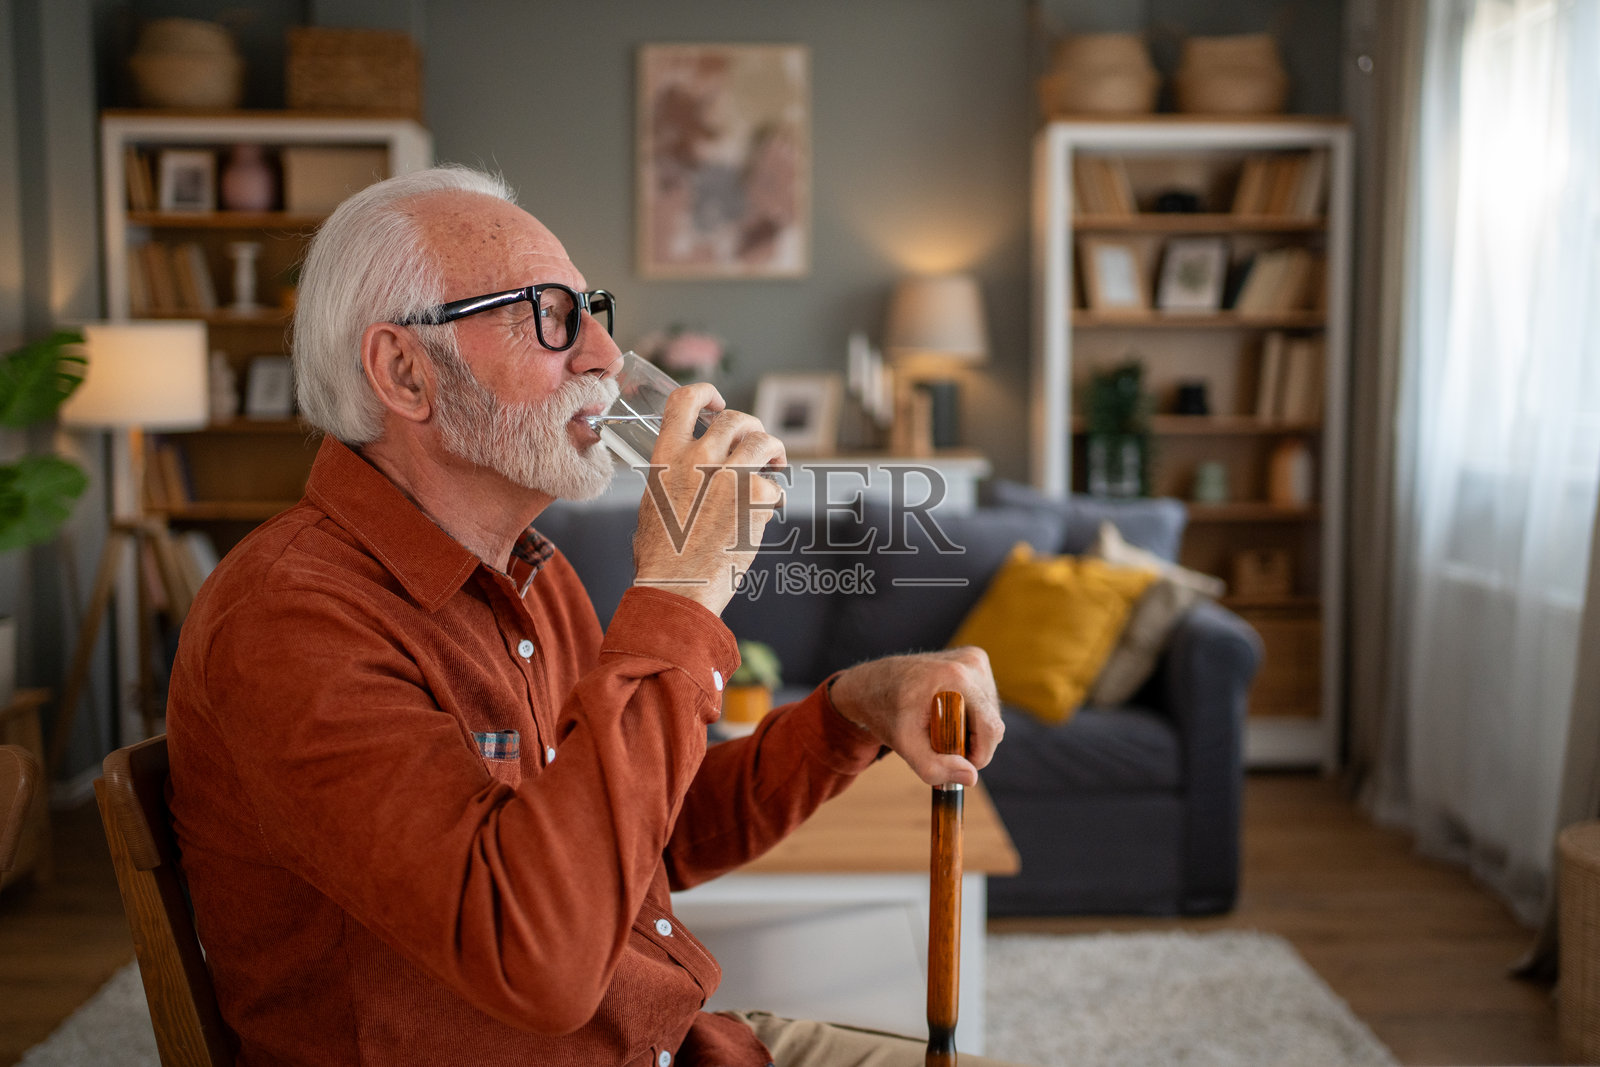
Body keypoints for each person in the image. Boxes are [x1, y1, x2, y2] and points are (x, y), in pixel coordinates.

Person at [166, 165, 1015, 1066]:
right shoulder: (291, 619)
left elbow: (644, 838)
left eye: (590, 308)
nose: (606, 354)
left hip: (673, 1044)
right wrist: (682, 590)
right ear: (404, 372)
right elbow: (541, 960)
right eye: (548, 314)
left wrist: (856, 706)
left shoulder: (531, 573)